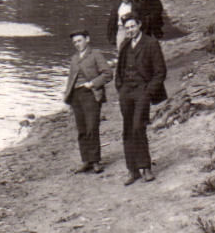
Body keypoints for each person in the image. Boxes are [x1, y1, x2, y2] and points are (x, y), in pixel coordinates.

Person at [115, 16, 168, 184]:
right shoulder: (124, 44)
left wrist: (148, 92)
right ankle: (132, 170)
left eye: (132, 26)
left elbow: (160, 72)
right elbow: (119, 70)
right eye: (127, 28)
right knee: (128, 129)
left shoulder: (151, 43)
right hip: (126, 92)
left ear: (139, 24)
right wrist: (120, 87)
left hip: (142, 92)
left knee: (138, 126)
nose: (130, 30)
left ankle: (145, 168)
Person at [63, 29, 112, 174]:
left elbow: (108, 74)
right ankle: (86, 161)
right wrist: (67, 96)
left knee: (92, 128)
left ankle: (96, 161)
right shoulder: (74, 58)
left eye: (79, 40)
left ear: (87, 39)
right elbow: (70, 79)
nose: (77, 44)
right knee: (82, 129)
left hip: (90, 94)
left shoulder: (95, 54)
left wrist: (92, 83)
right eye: (75, 42)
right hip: (76, 96)